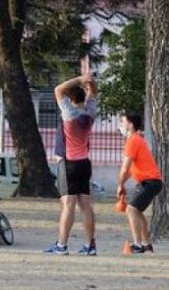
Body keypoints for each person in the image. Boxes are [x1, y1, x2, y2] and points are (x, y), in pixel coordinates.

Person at [45, 75, 98, 256]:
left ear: (70, 98)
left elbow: (58, 89)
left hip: (69, 164)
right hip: (84, 163)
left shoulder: (69, 113)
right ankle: (90, 246)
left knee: (68, 205)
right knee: (86, 206)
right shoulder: (90, 113)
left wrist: (80, 78)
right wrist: (89, 81)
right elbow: (94, 92)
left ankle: (62, 245)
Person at [116, 112, 163, 254]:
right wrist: (123, 182)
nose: (121, 125)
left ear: (130, 125)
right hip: (150, 182)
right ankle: (146, 244)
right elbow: (131, 170)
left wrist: (121, 184)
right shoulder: (136, 140)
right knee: (137, 212)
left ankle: (137, 245)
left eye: (122, 122)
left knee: (131, 209)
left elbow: (125, 169)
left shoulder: (133, 141)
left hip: (150, 182)